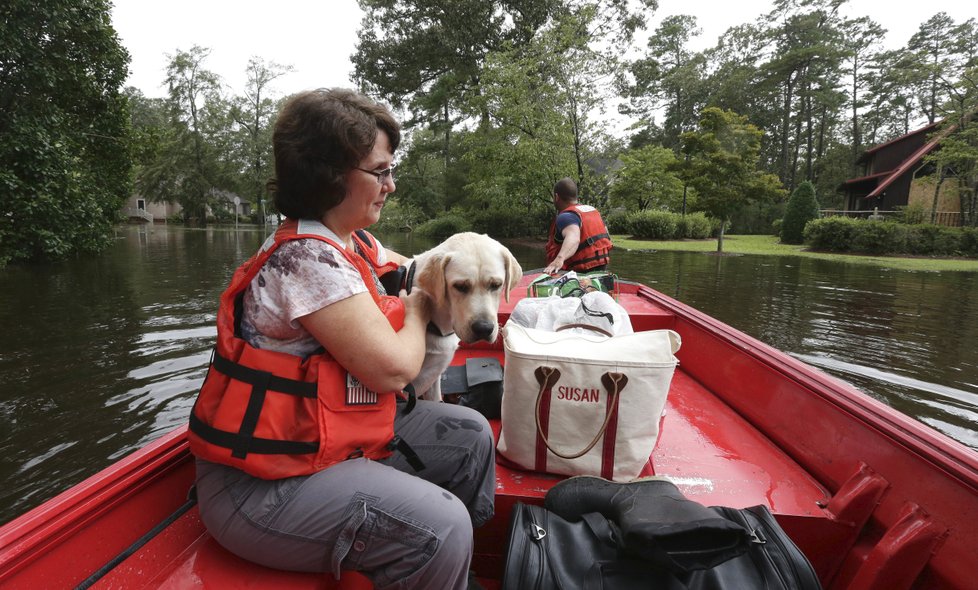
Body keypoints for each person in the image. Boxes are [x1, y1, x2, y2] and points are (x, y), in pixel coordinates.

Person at [187, 88, 495, 590]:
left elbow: (417, 267)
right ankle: (431, 549)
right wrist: (417, 306)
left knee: (470, 436)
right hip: (263, 490)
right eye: (380, 171)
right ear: (329, 175)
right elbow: (394, 369)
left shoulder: (354, 245)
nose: (390, 185)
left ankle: (454, 572)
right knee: (441, 526)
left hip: (326, 447)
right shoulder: (305, 260)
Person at [543, 177, 613, 274]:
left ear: (556, 197)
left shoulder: (566, 216)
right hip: (601, 268)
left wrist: (559, 259)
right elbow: (607, 236)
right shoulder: (592, 211)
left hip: (579, 273)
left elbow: (574, 238)